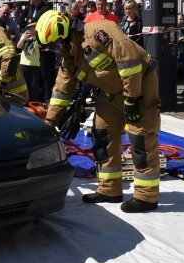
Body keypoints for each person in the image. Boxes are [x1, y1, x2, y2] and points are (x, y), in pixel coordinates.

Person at [38, 11, 161, 213]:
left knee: (141, 139)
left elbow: (129, 60)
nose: (56, 49)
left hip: (140, 85)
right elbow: (61, 91)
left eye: (56, 44)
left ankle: (146, 196)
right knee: (102, 135)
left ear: (65, 33)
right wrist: (50, 123)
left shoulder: (98, 31)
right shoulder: (70, 58)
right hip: (110, 93)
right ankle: (109, 190)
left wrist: (132, 99)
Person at [25, 0, 56, 99]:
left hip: (44, 45)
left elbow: (35, 21)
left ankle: (48, 96)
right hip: (32, 45)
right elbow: (23, 21)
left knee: (45, 72)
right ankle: (38, 94)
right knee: (36, 72)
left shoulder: (46, 9)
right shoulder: (29, 8)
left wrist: (30, 21)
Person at [17, 23, 42, 101]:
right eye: (30, 28)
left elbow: (42, 46)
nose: (31, 30)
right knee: (24, 85)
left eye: (33, 28)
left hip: (35, 64)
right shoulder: (24, 35)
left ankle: (33, 102)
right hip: (24, 64)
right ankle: (23, 101)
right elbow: (18, 46)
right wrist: (23, 38)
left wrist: (34, 37)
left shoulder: (39, 37)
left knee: (33, 86)